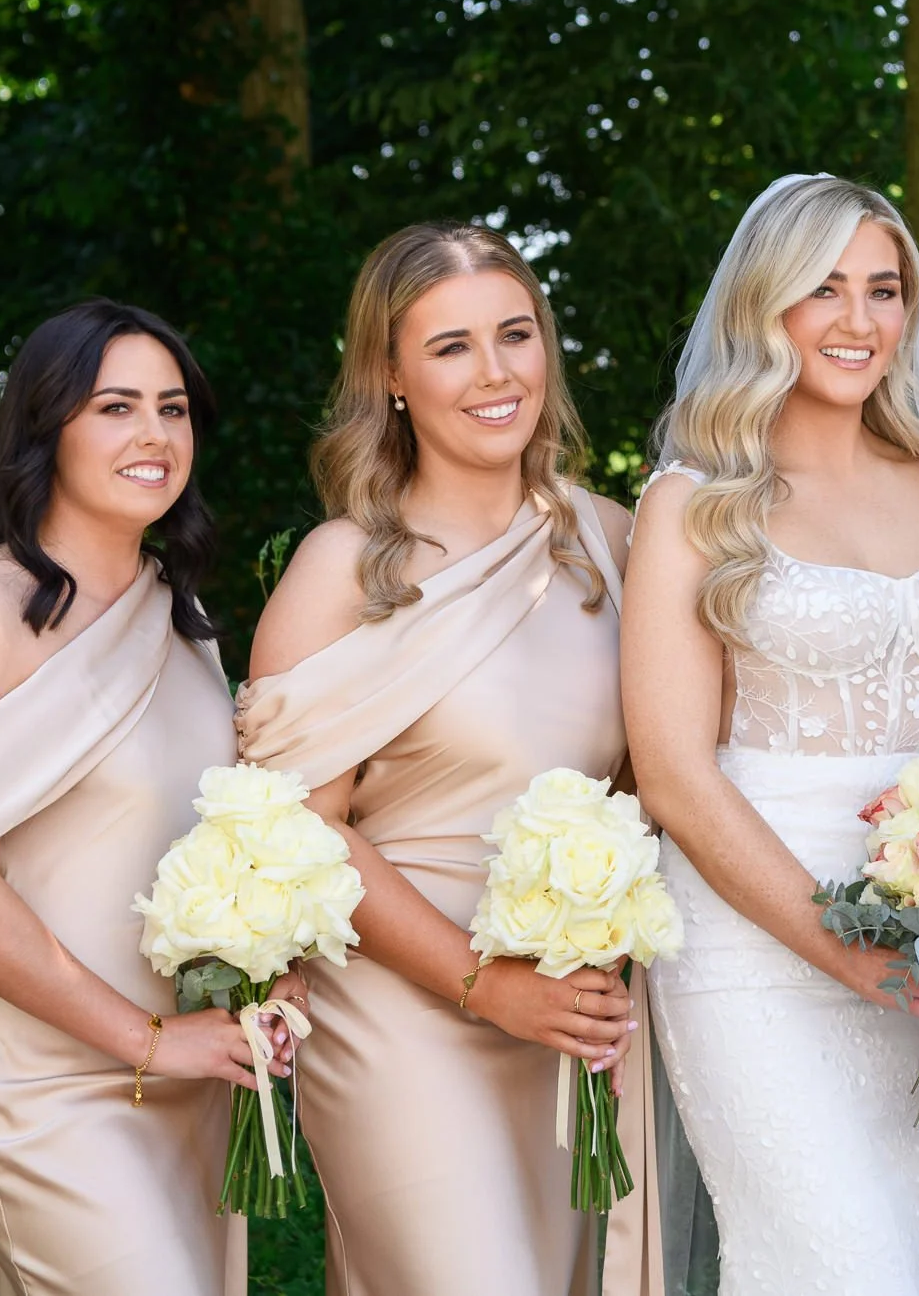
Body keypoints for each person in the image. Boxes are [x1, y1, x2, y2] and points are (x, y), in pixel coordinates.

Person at [621, 174, 919, 1296]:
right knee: (840, 1263)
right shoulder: (693, 500)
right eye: (824, 288)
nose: (861, 320)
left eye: (885, 288)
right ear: (765, 304)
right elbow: (675, 775)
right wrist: (847, 953)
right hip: (753, 944)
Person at [238, 223, 653, 1296]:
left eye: (515, 334)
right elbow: (295, 828)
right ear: (392, 375)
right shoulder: (344, 568)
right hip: (401, 1007)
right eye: (452, 345)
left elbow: (664, 780)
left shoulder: (616, 542)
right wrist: (482, 983)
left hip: (566, 1015)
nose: (496, 370)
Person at [0, 299, 297, 1295]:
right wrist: (146, 1037)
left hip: (189, 1070)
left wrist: (270, 975)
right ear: (46, 428)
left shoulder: (179, 617)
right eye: (115, 406)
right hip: (42, 1083)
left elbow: (211, 840)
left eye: (173, 406)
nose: (154, 432)